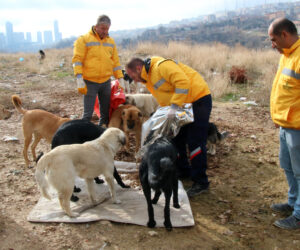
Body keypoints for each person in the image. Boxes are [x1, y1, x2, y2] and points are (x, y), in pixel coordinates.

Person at [126, 56, 212, 197]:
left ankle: (201, 182)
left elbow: (183, 83)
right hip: (182, 105)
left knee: (195, 142)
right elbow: (165, 94)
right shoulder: (148, 78)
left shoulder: (161, 66)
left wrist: (174, 105)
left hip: (198, 100)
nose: (133, 80)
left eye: (132, 76)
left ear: (138, 68)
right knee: (176, 138)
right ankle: (184, 171)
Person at [268, 18, 300, 230]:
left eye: (273, 40)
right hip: (285, 124)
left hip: (297, 128)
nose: (272, 45)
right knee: (288, 167)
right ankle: (292, 202)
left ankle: (299, 215)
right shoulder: (286, 55)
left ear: (285, 35)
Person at [72, 15, 126, 127]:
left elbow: (115, 62)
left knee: (105, 114)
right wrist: (79, 77)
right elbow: (77, 59)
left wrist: (120, 78)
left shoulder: (111, 42)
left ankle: (102, 135)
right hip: (89, 82)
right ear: (96, 27)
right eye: (103, 29)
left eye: (107, 29)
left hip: (106, 82)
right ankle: (84, 138)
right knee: (88, 114)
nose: (105, 32)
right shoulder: (84, 39)